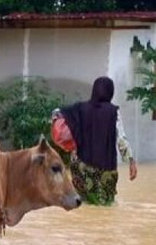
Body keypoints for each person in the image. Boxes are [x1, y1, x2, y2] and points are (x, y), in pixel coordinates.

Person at [54, 77, 137, 205]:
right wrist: (131, 161)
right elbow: (121, 139)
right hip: (105, 168)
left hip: (80, 165)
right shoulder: (113, 112)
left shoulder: (79, 108)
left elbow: (57, 113)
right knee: (105, 205)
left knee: (82, 203)